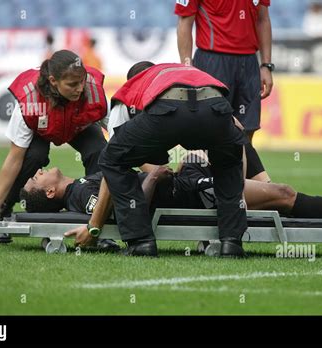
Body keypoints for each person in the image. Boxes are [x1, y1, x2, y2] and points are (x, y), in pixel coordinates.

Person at [64, 62, 247, 258]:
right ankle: (231, 243)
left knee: (111, 160)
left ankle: (141, 241)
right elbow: (239, 131)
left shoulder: (130, 90)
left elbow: (115, 157)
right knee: (229, 165)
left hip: (170, 109)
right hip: (216, 106)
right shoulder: (177, 71)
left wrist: (94, 227)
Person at [0, 50, 108, 244]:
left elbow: (122, 138)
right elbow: (14, 158)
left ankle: (99, 217)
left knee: (100, 151)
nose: (80, 88)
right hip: (43, 129)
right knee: (33, 157)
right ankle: (4, 211)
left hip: (78, 124)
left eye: (82, 81)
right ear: (53, 81)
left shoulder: (93, 91)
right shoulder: (29, 100)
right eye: (73, 84)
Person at [21, 158, 322, 221]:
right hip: (189, 195)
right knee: (283, 195)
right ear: (51, 194)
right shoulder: (77, 196)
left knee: (234, 139)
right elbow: (123, 213)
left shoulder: (81, 181)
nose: (39, 171)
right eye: (36, 179)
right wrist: (156, 177)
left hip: (184, 182)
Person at [175, 0, 273, 182]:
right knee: (206, 129)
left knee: (246, 131)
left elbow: (263, 19)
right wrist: (186, 67)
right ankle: (202, 185)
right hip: (212, 60)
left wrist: (266, 64)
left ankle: (240, 191)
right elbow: (185, 21)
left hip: (249, 62)